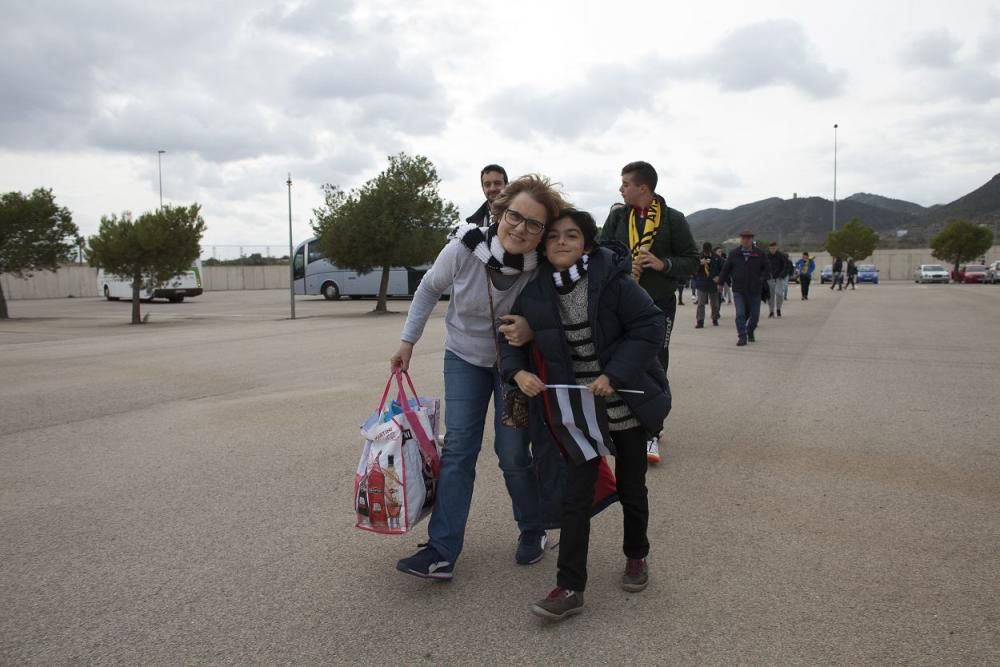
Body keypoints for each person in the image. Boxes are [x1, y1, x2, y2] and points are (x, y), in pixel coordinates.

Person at [392, 174, 569, 580]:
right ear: (500, 210)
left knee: (510, 455)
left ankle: (533, 527)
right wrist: (407, 342)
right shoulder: (463, 249)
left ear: (542, 232)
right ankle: (441, 550)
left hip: (514, 368)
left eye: (533, 224)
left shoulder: (540, 267)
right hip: (464, 358)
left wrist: (530, 328)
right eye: (515, 216)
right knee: (458, 451)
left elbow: (557, 314)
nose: (521, 228)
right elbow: (427, 289)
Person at [498, 210, 669, 621]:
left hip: (624, 400)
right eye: (553, 235)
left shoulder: (613, 281)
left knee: (631, 486)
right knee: (576, 496)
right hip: (577, 410)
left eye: (571, 235)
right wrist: (517, 371)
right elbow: (509, 337)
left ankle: (636, 555)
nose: (560, 241)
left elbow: (651, 324)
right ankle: (570, 586)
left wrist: (615, 374)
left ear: (587, 244)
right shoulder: (535, 291)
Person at [600, 161, 698, 463]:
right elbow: (601, 252)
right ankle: (620, 425)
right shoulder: (617, 217)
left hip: (657, 305)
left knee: (654, 363)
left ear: (644, 188)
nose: (621, 188)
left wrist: (662, 264)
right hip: (621, 304)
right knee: (618, 360)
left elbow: (692, 260)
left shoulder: (673, 219)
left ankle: (651, 431)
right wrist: (621, 264)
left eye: (626, 183)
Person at [716, 229, 770, 346]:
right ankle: (742, 336)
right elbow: (726, 269)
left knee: (754, 316)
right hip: (739, 289)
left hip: (755, 290)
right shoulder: (734, 254)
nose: (745, 240)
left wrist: (761, 279)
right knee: (740, 314)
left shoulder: (760, 254)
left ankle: (750, 331)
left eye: (748, 238)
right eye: (743, 238)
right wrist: (720, 283)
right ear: (741, 239)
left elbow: (767, 270)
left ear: (752, 240)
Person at [694, 242, 723, 328]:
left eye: (708, 252)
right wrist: (699, 264)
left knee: (714, 304)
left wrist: (719, 277)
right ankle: (700, 321)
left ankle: (715, 318)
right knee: (701, 303)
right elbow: (693, 270)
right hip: (701, 283)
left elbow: (724, 268)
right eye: (705, 252)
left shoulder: (717, 258)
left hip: (713, 283)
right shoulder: (698, 257)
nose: (707, 253)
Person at [766, 241, 789, 318]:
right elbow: (763, 267)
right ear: (769, 248)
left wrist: (782, 275)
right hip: (770, 279)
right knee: (770, 296)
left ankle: (778, 308)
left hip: (779, 278)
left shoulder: (781, 256)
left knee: (779, 294)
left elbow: (785, 266)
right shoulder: (766, 256)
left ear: (776, 248)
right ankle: (771, 311)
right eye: (771, 248)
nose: (773, 250)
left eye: (774, 248)